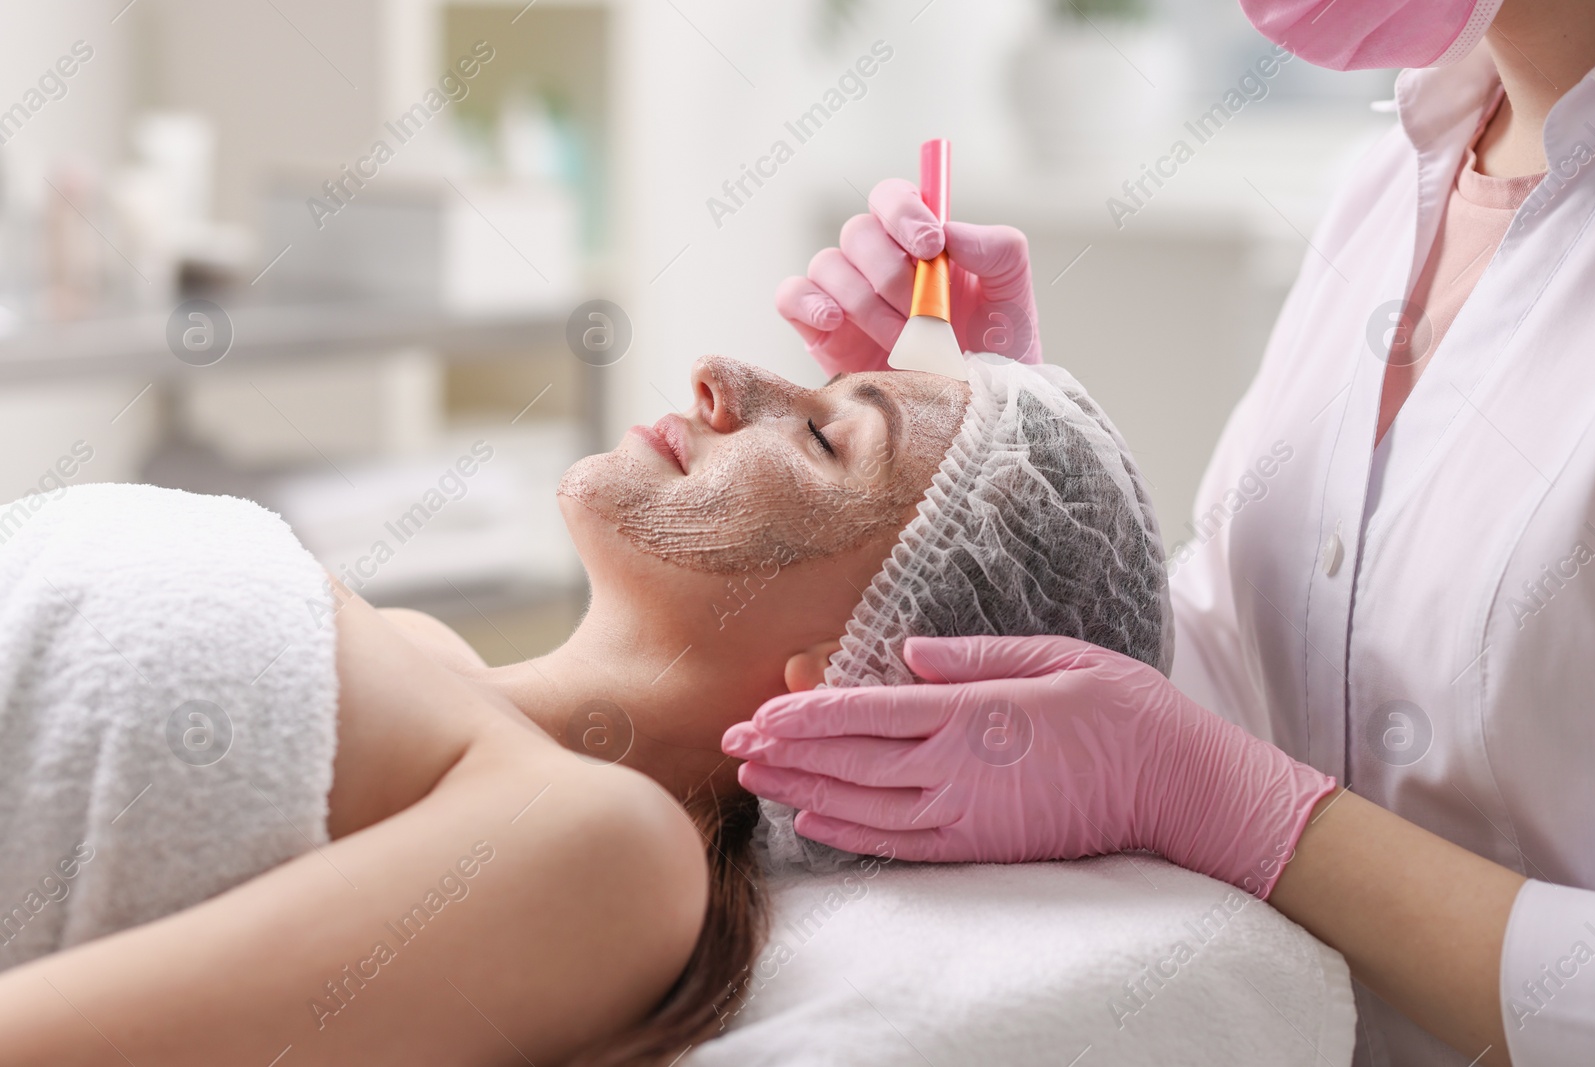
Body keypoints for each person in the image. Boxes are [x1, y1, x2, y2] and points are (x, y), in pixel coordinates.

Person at [727, 1, 1595, 1064]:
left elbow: (1199, 770)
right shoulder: (1394, 179)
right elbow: (1244, 677)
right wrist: (1014, 481)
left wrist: (1244, 812)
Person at [0, 358, 965, 1066]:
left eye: (826, 437)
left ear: (851, 672)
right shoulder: (421, 648)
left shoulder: (613, 853)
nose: (724, 376)